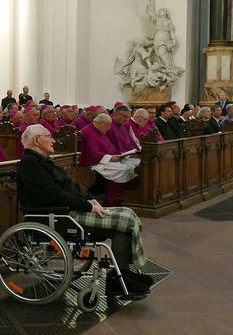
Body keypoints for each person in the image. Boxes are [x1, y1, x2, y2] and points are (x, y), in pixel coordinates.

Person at [17, 124, 151, 299]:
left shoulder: (42, 160)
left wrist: (90, 199)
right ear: (36, 140)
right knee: (124, 221)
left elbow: (70, 186)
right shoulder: (30, 164)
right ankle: (119, 279)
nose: (53, 140)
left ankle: (122, 274)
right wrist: (87, 206)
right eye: (49, 136)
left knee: (127, 214)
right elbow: (54, 195)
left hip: (71, 209)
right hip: (61, 215)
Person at [80, 114, 139, 206]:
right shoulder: (88, 132)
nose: (109, 128)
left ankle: (123, 196)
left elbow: (109, 147)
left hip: (104, 159)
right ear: (100, 123)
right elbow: (92, 153)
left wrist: (120, 155)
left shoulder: (99, 131)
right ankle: (110, 200)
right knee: (122, 170)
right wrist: (110, 158)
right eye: (107, 125)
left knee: (133, 165)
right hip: (95, 162)